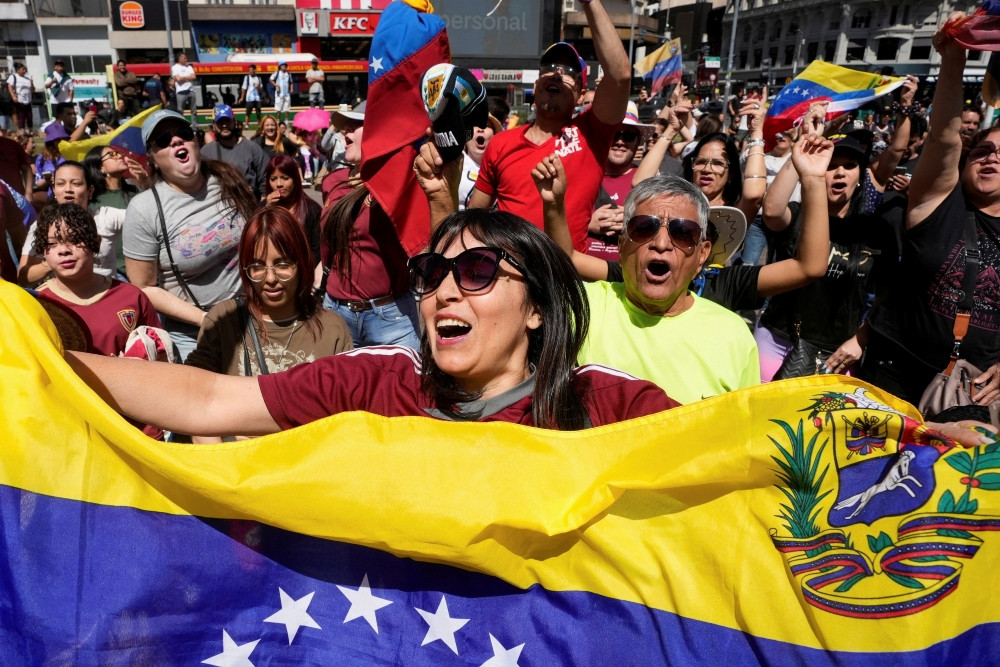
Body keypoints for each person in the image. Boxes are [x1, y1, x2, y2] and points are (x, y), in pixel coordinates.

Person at [67, 208, 678, 435]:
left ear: (538, 307)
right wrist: (42, 362)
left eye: (478, 271)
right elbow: (206, 401)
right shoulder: (382, 381)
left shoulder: (609, 404)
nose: (443, 292)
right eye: (434, 272)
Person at [860, 14, 1000, 405]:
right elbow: (944, 137)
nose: (991, 159)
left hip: (971, 391)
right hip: (893, 372)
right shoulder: (939, 200)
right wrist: (952, 59)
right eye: (984, 152)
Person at [469, 0, 631, 251]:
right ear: (535, 87)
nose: (556, 74)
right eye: (549, 68)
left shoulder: (592, 133)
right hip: (508, 277)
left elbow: (619, 76)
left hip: (563, 279)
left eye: (568, 72)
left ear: (580, 94)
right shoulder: (501, 142)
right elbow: (475, 218)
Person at [185, 206, 353, 442]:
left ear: (302, 262)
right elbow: (195, 401)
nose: (271, 278)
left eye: (283, 264)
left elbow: (343, 419)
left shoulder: (333, 329)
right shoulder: (224, 320)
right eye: (257, 266)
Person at [760, 119, 897, 381]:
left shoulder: (877, 230)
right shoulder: (799, 216)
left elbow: (886, 295)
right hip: (777, 340)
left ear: (860, 176)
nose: (840, 172)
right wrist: (802, 151)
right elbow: (772, 210)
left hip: (837, 354)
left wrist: (861, 339)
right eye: (831, 166)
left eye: (849, 166)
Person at [122, 109, 257, 361]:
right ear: (152, 158)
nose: (176, 141)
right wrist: (206, 319)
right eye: (163, 140)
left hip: (252, 315)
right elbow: (144, 287)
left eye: (183, 134)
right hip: (193, 333)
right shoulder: (144, 208)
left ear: (195, 142)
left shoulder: (228, 178)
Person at [318, 102, 420, 349]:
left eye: (354, 126)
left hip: (390, 317)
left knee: (402, 388)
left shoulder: (402, 181)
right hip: (336, 313)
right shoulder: (332, 182)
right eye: (344, 128)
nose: (345, 133)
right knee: (340, 389)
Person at [32, 203, 160, 356]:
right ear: (43, 251)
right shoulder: (36, 304)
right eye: (52, 243)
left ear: (96, 242)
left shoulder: (132, 296)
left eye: (74, 240)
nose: (64, 250)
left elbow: (160, 353)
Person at [20, 160, 127, 285]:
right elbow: (23, 277)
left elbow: (144, 216)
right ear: (54, 191)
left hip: (106, 294)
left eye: (76, 184)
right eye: (60, 184)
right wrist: (54, 261)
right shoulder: (42, 224)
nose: (68, 189)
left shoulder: (106, 217)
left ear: (90, 191)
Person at [585, 101, 654, 261]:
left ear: (637, 142)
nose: (620, 142)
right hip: (582, 275)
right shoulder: (581, 174)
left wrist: (635, 224)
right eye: (614, 134)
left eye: (628, 136)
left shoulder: (648, 179)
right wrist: (587, 225)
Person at [201, 104, 269, 199]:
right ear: (214, 126)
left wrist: (263, 202)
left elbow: (265, 179)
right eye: (220, 122)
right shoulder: (206, 152)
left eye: (228, 121)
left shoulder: (252, 148)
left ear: (234, 122)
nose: (224, 125)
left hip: (249, 205)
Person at [263, 153, 322, 262]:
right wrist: (267, 210)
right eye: (273, 179)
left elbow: (317, 250)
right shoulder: (264, 207)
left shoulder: (312, 210)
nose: (279, 184)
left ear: (295, 179)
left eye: (285, 178)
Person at [457, 114, 502, 209]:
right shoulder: (453, 163)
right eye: (474, 125)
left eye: (487, 126)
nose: (480, 129)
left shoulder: (503, 169)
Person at [32, 123, 69, 202]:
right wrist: (47, 179)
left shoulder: (69, 153)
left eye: (64, 138)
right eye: (58, 139)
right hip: (52, 197)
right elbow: (38, 183)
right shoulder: (42, 158)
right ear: (51, 141)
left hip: (69, 194)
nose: (61, 142)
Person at [171, 54, 197, 127]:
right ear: (179, 59)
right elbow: (178, 79)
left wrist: (183, 78)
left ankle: (195, 126)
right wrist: (188, 78)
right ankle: (181, 126)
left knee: (194, 110)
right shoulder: (174, 67)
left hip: (191, 90)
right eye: (184, 58)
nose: (186, 59)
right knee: (180, 111)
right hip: (180, 92)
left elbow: (194, 77)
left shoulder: (189, 67)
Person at [6, 63, 34, 131]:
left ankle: (31, 135)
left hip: (28, 100)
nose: (25, 71)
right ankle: (22, 133)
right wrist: (13, 96)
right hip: (19, 100)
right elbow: (10, 86)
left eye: (25, 69)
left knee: (29, 117)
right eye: (23, 69)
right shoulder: (13, 77)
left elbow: (33, 90)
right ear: (18, 70)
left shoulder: (27, 78)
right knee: (21, 117)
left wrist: (32, 83)